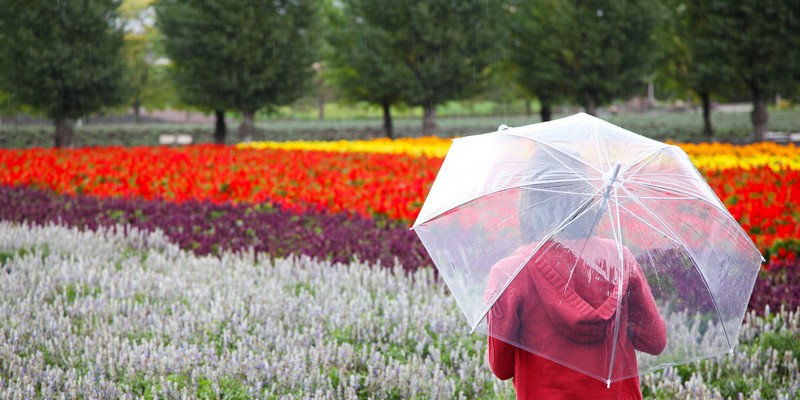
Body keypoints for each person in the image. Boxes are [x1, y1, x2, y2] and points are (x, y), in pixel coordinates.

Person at [484, 151, 667, 400]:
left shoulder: (511, 273)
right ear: (586, 197)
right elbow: (654, 340)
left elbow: (501, 368)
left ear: (530, 202)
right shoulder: (620, 260)